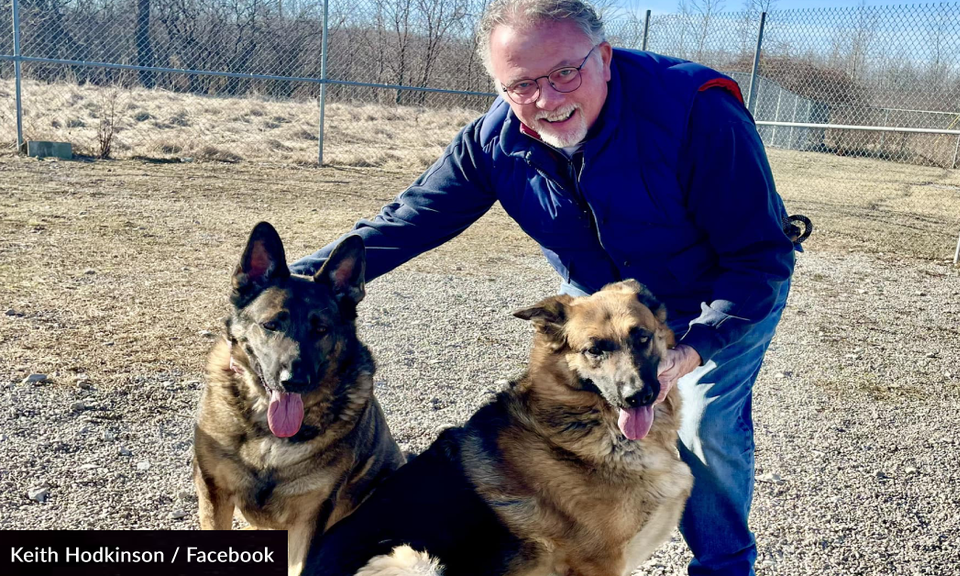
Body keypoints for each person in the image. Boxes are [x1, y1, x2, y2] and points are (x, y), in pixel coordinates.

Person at [290, 0, 799, 573]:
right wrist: (293, 287)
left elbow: (759, 258)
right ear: (501, 87)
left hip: (717, 296)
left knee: (704, 424)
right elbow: (410, 220)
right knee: (583, 408)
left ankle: (724, 566)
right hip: (605, 300)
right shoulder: (495, 140)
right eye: (523, 84)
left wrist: (694, 348)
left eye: (564, 73)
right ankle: (572, 537)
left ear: (604, 57)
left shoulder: (697, 113)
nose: (548, 99)